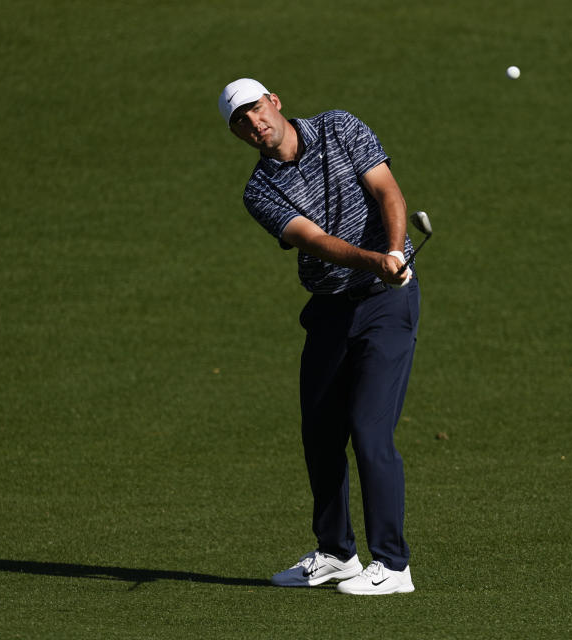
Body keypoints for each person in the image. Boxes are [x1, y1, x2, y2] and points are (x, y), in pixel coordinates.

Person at [218, 78, 420, 595]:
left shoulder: (339, 126)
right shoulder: (259, 190)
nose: (253, 124)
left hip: (385, 304)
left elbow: (386, 190)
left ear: (275, 102)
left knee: (369, 430)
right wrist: (375, 261)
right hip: (330, 309)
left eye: (256, 110)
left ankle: (394, 566)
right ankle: (337, 554)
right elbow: (316, 241)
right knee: (320, 434)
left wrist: (393, 253)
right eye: (240, 121)